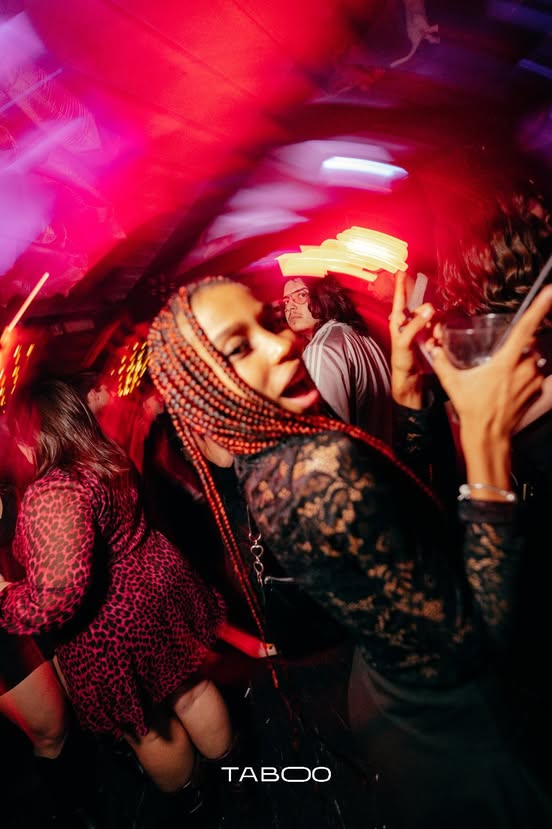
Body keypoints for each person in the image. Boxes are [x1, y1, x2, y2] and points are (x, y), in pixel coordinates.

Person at [148, 271, 552, 828]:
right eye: (239, 348)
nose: (281, 343)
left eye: (269, 321)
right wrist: (487, 438)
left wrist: (405, 388)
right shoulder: (309, 474)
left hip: (393, 686)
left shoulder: (281, 445)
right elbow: (473, 647)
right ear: (202, 392)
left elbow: (400, 516)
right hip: (454, 724)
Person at [0, 378, 234, 823]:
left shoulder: (53, 490)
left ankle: (199, 805)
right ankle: (235, 777)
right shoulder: (103, 455)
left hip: (111, 626)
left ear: (32, 434)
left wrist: (7, 601)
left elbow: (56, 597)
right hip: (158, 586)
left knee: (146, 727)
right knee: (191, 689)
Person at [282, 274, 392, 441]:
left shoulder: (320, 349)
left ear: (322, 295)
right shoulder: (362, 336)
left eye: (301, 295)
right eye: (286, 301)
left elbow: (325, 439)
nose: (290, 306)